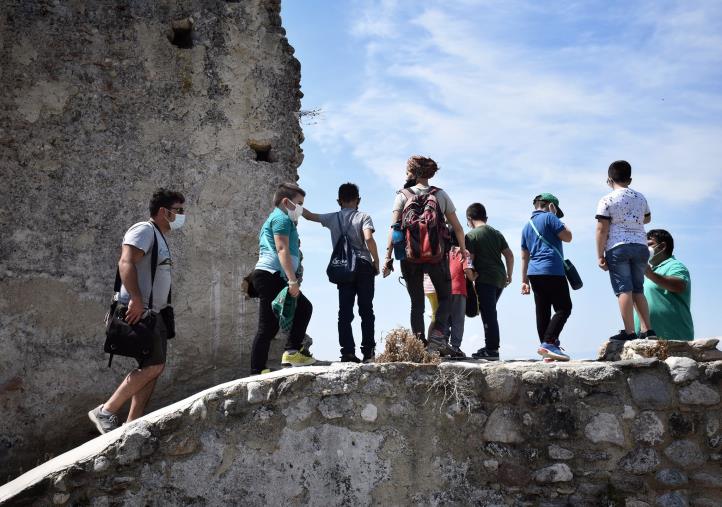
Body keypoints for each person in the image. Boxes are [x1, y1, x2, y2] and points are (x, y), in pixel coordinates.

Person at [88, 188, 186, 434]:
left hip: (156, 312)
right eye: (179, 211)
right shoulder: (144, 230)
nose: (182, 216)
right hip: (140, 309)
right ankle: (106, 411)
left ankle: (132, 424)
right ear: (164, 211)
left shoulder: (160, 237)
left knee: (153, 367)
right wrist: (136, 299)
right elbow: (126, 261)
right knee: (153, 366)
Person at [382, 156, 467, 355]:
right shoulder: (440, 195)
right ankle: (438, 335)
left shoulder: (402, 195)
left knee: (417, 303)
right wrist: (462, 250)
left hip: (410, 257)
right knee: (445, 297)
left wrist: (388, 257)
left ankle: (420, 346)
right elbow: (458, 228)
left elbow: (394, 230)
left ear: (412, 172)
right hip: (436, 256)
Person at [302, 183, 379, 363]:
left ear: (338, 201)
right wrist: (376, 260)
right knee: (366, 310)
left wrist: (291, 203)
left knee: (345, 312)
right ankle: (368, 353)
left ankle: (348, 353)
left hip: (343, 267)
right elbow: (368, 238)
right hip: (363, 265)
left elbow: (308, 215)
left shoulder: (332, 218)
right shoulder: (364, 217)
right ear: (358, 200)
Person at [248, 182, 316, 375]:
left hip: (270, 276)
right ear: (286, 202)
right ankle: (265, 365)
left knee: (287, 316)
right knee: (269, 325)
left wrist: (323, 219)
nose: (301, 208)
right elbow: (282, 249)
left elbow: (307, 214)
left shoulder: (280, 216)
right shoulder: (282, 220)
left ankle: (288, 353)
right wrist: (292, 280)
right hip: (271, 275)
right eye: (299, 203)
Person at [595, 160, 655, 341]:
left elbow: (601, 229)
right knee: (638, 289)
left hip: (618, 246)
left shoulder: (607, 199)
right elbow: (647, 219)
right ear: (630, 179)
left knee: (624, 290)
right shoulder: (640, 197)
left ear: (609, 179)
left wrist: (599, 255)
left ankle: (629, 332)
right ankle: (648, 330)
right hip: (640, 245)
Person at [520, 193, 573, 361]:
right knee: (564, 307)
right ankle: (548, 343)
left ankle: (546, 352)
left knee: (542, 311)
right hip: (552, 269)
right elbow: (568, 237)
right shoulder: (551, 217)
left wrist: (524, 281)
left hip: (534, 272)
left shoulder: (526, 226)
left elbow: (524, 256)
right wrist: (555, 216)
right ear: (551, 205)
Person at [465, 203, 514, 361]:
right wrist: (509, 275)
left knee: (488, 313)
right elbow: (509, 255)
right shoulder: (496, 233)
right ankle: (490, 346)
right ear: (485, 218)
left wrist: (471, 276)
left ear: (469, 219)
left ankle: (492, 349)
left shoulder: (471, 236)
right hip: (499, 278)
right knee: (489, 311)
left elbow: (469, 261)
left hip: (485, 278)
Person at [634, 229, 693, 340]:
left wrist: (650, 274)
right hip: (645, 340)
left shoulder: (675, 265)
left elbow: (679, 285)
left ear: (662, 247)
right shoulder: (650, 271)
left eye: (649, 244)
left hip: (673, 339)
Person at [446, 232, 475, 359]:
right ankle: (455, 347)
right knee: (458, 319)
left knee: (445, 319)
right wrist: (474, 277)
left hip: (444, 290)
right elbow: (467, 271)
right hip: (458, 289)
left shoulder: (442, 252)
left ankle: (443, 345)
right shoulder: (464, 252)